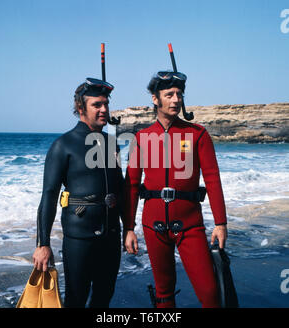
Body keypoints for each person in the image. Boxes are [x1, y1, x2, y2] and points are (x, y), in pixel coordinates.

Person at [124, 71, 228, 308]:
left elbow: (213, 179)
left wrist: (221, 223)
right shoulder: (141, 138)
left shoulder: (197, 134)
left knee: (210, 292)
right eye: (169, 94)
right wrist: (128, 228)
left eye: (179, 94)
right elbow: (130, 185)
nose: (175, 100)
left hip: (190, 224)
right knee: (163, 294)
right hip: (154, 225)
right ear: (155, 99)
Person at [32, 78, 125, 308]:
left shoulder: (111, 143)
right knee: (76, 299)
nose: (104, 109)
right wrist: (43, 244)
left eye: (105, 104)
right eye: (97, 105)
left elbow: (120, 189)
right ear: (81, 108)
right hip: (79, 238)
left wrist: (129, 228)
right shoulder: (63, 145)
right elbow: (49, 196)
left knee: (104, 297)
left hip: (111, 236)